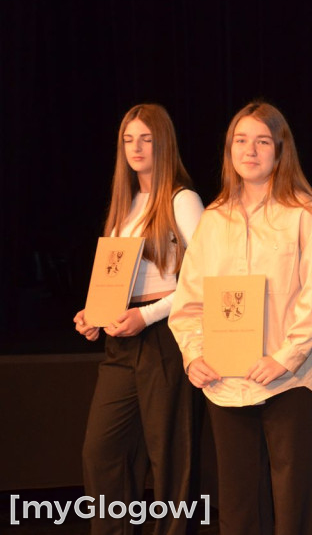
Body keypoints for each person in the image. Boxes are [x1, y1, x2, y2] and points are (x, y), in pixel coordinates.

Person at [169, 101, 312, 535]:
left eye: (263, 141)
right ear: (229, 151)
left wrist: (284, 357)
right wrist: (193, 356)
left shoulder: (304, 213)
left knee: (293, 502)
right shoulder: (213, 219)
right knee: (239, 505)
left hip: (291, 379)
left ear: (280, 151)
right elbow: (189, 302)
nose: (250, 150)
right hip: (225, 381)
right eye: (240, 141)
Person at [74, 103, 203, 535]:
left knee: (169, 458)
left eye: (146, 138)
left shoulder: (182, 200)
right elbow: (115, 279)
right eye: (128, 139)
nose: (136, 147)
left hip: (165, 336)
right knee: (101, 451)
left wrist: (146, 316)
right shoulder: (124, 203)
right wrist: (93, 313)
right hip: (122, 340)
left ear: (163, 143)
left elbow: (201, 280)